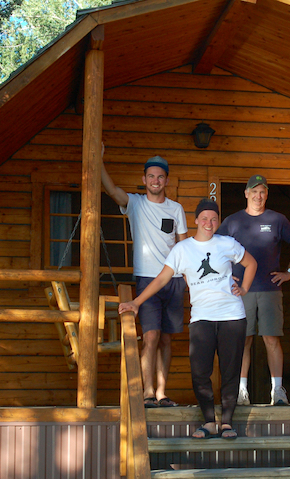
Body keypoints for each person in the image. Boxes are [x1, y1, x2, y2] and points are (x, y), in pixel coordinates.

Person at [119, 199, 257, 439]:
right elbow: (162, 278)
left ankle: (226, 423)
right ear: (195, 220)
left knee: (230, 371)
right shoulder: (182, 249)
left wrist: (244, 288)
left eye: (213, 219)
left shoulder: (227, 243)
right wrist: (136, 302)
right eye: (204, 218)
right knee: (200, 372)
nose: (209, 223)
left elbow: (251, 262)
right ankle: (209, 421)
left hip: (232, 316)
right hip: (201, 317)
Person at [101, 152, 188, 408]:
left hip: (174, 280)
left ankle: (162, 393)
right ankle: (147, 393)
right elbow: (112, 190)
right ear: (144, 179)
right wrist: (99, 161)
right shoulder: (136, 204)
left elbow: (184, 247)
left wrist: (189, 279)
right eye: (151, 176)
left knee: (167, 339)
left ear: (166, 180)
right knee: (150, 336)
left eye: (160, 177)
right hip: (147, 278)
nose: (155, 180)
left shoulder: (176, 208)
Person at [217, 174, 290, 406]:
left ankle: (277, 391)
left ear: (266, 195)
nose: (258, 196)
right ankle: (241, 392)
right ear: (246, 193)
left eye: (263, 192)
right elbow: (215, 249)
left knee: (271, 339)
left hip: (270, 289)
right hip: (241, 292)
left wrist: (289, 271)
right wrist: (228, 274)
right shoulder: (232, 221)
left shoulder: (277, 220)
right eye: (254, 191)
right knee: (243, 340)